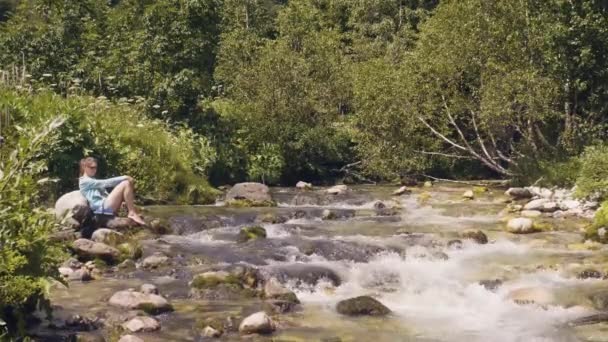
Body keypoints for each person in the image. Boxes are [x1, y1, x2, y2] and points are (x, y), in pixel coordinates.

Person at [78, 157, 146, 225]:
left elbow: (104, 194)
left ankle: (131, 212)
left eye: (95, 167)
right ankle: (132, 213)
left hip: (106, 207)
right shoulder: (84, 181)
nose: (94, 170)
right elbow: (106, 183)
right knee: (126, 183)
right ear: (85, 167)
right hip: (101, 209)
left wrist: (120, 200)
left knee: (125, 185)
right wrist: (124, 177)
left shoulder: (92, 179)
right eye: (91, 167)